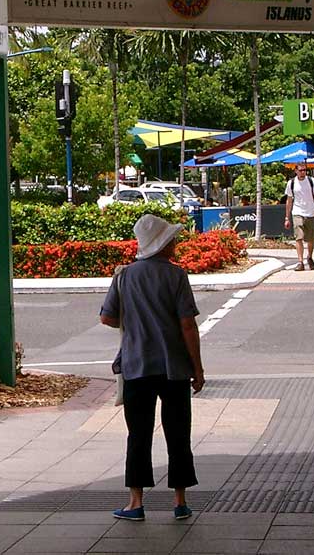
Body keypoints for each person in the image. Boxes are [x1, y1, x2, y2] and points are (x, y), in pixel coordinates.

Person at [100, 214, 204, 522]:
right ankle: (180, 501)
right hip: (173, 368)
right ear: (161, 244)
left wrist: (133, 324)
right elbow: (188, 324)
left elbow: (107, 317)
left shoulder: (124, 276)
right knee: (178, 433)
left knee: (139, 434)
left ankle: (135, 502)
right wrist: (197, 368)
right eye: (171, 239)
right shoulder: (176, 276)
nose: (175, 243)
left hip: (136, 365)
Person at [284, 163, 314, 271]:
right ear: (296, 171)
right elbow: (289, 200)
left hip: (310, 212)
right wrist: (287, 217)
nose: (303, 172)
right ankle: (300, 261)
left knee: (310, 239)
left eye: (304, 170)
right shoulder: (291, 183)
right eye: (300, 170)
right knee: (299, 237)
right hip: (297, 212)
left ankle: (309, 257)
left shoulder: (311, 181)